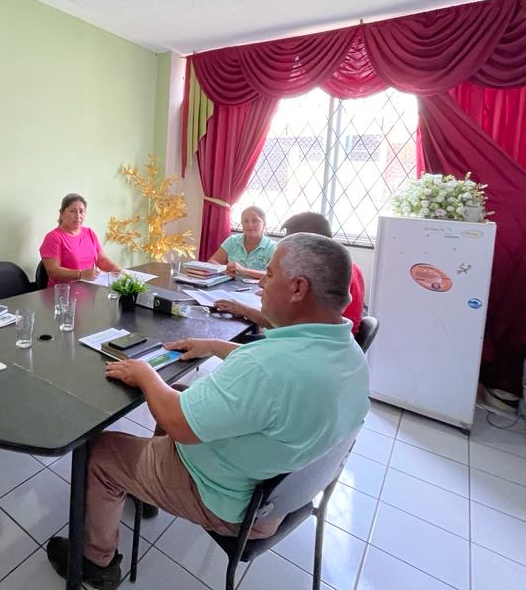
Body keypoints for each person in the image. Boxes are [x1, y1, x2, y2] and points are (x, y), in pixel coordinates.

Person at [45, 233, 369, 589]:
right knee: (182, 391)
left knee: (99, 450)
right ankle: (144, 490)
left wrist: (146, 374)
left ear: (298, 288)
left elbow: (179, 424)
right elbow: (271, 369)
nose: (261, 282)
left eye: (270, 273)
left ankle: (96, 562)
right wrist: (214, 345)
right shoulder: (350, 355)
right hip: (278, 491)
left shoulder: (266, 369)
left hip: (230, 501)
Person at [214, 211, 365, 336]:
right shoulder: (342, 264)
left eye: (292, 244)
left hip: (318, 344)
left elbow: (287, 327)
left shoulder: (325, 273)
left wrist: (244, 310)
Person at [39, 193, 121, 286]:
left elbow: (102, 260)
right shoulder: (53, 237)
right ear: (62, 213)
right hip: (63, 291)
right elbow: (53, 271)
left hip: (89, 287)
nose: (78, 216)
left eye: (81, 211)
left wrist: (117, 270)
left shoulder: (90, 233)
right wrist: (80, 274)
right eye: (72, 211)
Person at [209, 205, 275, 280]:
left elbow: (273, 275)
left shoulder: (272, 247)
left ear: (264, 223)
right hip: (229, 284)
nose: (250, 225)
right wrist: (224, 270)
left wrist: (245, 271)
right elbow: (212, 261)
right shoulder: (232, 240)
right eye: (246, 221)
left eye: (255, 221)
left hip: (257, 286)